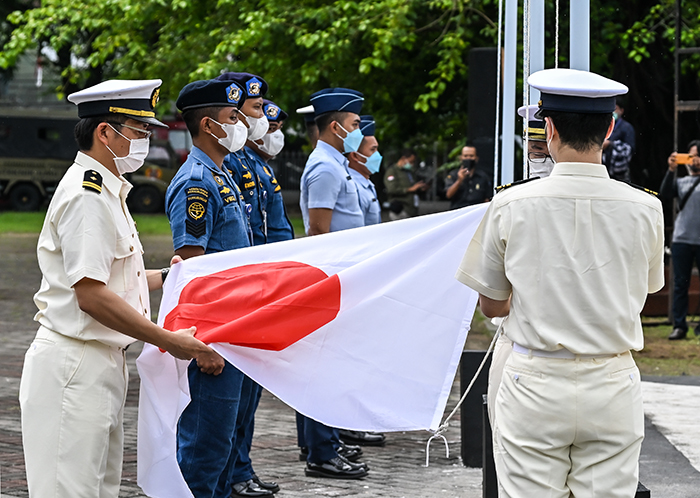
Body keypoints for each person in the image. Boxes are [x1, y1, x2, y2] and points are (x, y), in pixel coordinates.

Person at [456, 68, 664, 498]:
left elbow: (491, 306)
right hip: (611, 378)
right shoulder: (646, 208)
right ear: (609, 128)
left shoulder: (511, 203)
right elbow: (644, 293)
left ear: (547, 127)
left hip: (534, 380)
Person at [19, 79, 215, 498]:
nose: (145, 140)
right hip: (76, 361)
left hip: (102, 362)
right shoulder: (87, 193)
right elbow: (90, 295)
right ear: (105, 132)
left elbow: (109, 278)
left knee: (99, 489)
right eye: (139, 131)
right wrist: (167, 340)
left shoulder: (109, 191)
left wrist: (166, 275)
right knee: (67, 490)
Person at [165, 78, 261, 498]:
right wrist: (204, 344)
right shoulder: (197, 183)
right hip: (214, 339)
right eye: (232, 117)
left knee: (223, 450)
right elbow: (192, 270)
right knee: (204, 453)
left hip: (236, 331)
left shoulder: (222, 174)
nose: (241, 124)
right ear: (208, 124)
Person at [298, 87, 369, 479]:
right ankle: (321, 452)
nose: (358, 131)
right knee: (322, 367)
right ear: (336, 127)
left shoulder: (335, 161)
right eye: (355, 124)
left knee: (332, 365)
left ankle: (327, 443)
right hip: (332, 276)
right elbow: (320, 230)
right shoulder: (325, 167)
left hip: (345, 275)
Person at [486, 104, 554, 425]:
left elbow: (492, 304)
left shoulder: (510, 205)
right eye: (531, 150)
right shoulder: (634, 205)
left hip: (529, 356)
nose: (535, 158)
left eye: (541, 150)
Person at [660, 140, 700, 340]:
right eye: (691, 156)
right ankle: (679, 325)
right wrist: (671, 170)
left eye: (697, 155)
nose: (694, 160)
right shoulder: (682, 182)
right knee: (680, 284)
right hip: (682, 239)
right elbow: (665, 194)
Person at [347, 115, 382, 226]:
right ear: (355, 156)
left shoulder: (366, 184)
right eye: (373, 150)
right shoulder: (353, 187)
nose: (377, 155)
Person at [383, 148, 428, 220]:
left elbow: (413, 186)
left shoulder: (409, 172)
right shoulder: (392, 171)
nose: (412, 164)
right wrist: (410, 189)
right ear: (403, 158)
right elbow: (391, 189)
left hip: (411, 209)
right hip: (400, 210)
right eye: (410, 161)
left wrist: (420, 188)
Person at [443, 145, 492, 209]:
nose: (468, 158)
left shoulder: (483, 176)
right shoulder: (453, 175)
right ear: (461, 158)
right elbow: (448, 195)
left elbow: (487, 199)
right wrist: (459, 181)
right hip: (458, 212)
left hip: (476, 213)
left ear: (476, 158)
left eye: (471, 156)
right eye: (465, 156)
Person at [603, 98, 635, 181]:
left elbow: (629, 150)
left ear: (621, 110)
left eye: (616, 109)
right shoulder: (604, 125)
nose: (613, 112)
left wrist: (610, 144)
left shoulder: (627, 127)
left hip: (621, 173)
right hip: (605, 170)